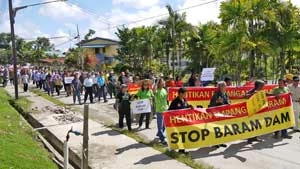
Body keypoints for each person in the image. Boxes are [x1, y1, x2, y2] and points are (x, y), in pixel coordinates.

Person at [169, 87, 192, 155]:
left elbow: (186, 106)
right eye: (185, 94)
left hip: (184, 122)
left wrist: (190, 106)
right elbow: (169, 111)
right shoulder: (175, 101)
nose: (186, 95)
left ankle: (182, 149)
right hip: (177, 123)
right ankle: (181, 150)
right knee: (180, 136)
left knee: (184, 136)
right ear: (180, 94)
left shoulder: (184, 100)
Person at [208, 81, 229, 148]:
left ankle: (221, 141)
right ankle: (215, 142)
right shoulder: (216, 94)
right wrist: (217, 101)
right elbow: (211, 104)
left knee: (222, 128)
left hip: (223, 113)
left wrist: (229, 103)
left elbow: (227, 101)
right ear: (221, 87)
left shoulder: (225, 93)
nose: (226, 87)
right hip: (216, 114)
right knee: (216, 129)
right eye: (224, 86)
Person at [153, 79, 168, 145]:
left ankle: (159, 133)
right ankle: (162, 139)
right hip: (159, 110)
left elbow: (167, 98)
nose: (164, 83)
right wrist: (156, 83)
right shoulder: (157, 91)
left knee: (164, 125)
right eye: (162, 82)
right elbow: (153, 90)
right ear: (159, 84)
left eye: (164, 82)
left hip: (165, 109)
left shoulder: (164, 90)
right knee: (160, 126)